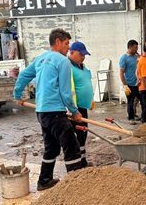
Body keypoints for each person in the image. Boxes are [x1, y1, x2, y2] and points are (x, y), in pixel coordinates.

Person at [13, 29, 84, 191]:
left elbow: (24, 75)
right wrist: (74, 111)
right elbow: (65, 92)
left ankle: (44, 181)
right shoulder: (62, 61)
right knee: (71, 146)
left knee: (51, 148)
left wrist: (18, 94)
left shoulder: (40, 58)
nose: (68, 48)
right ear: (58, 42)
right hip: (55, 112)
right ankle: (78, 186)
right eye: (66, 44)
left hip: (42, 112)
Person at [67, 41, 93, 167]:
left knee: (83, 133)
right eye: (81, 54)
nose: (83, 57)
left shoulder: (82, 67)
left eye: (84, 55)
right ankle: (78, 162)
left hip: (83, 107)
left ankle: (83, 160)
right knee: (77, 135)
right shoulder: (67, 67)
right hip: (73, 109)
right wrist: (72, 109)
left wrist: (90, 100)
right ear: (71, 52)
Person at [119, 40, 141, 124]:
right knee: (130, 102)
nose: (137, 49)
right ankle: (131, 118)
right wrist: (125, 85)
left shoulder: (137, 56)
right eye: (135, 47)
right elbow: (121, 72)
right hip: (129, 84)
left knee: (142, 100)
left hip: (138, 83)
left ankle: (141, 116)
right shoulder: (124, 58)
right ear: (130, 47)